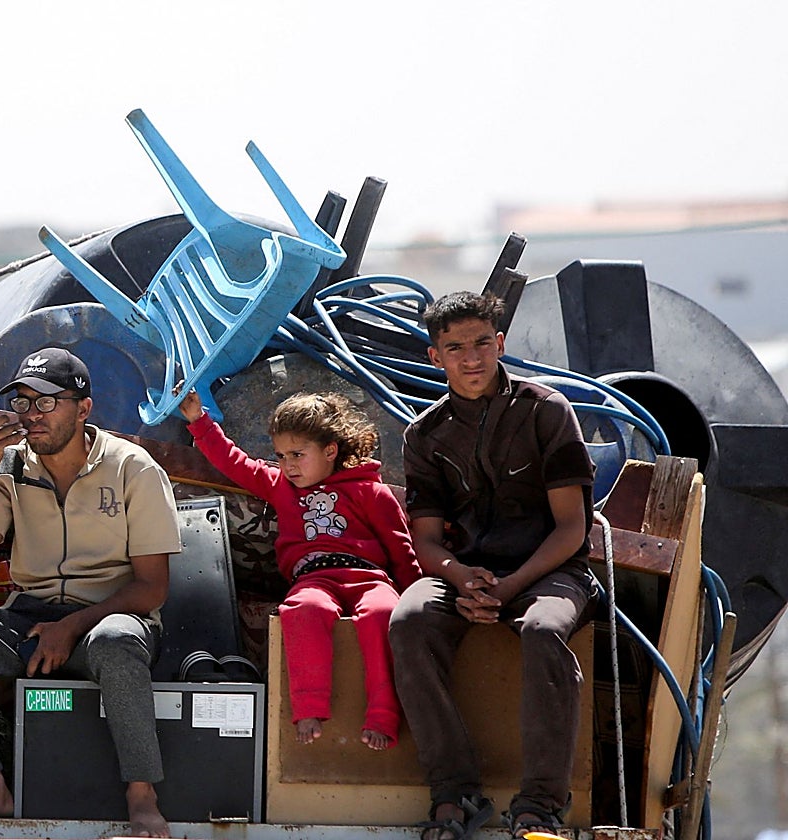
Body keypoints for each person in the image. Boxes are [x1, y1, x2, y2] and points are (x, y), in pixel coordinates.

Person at [0, 347, 183, 838]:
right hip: (30, 621)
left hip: (109, 618)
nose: (31, 416)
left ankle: (142, 796)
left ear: (83, 409)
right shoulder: (12, 466)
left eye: (45, 403)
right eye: (22, 403)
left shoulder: (133, 468)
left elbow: (152, 587)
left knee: (117, 643)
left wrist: (72, 626)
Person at [389, 291, 598, 840]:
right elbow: (426, 541)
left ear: (500, 342)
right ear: (435, 357)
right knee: (409, 619)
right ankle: (454, 792)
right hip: (467, 574)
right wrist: (459, 577)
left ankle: (540, 805)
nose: (472, 358)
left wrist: (508, 588)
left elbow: (571, 528)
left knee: (545, 628)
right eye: (455, 347)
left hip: (548, 572)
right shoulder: (424, 435)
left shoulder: (546, 411)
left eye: (483, 342)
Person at [178, 386, 421, 750]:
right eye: (280, 455)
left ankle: (384, 714)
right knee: (304, 609)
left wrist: (416, 598)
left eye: (297, 454)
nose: (288, 464)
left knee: (383, 613)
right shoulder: (280, 484)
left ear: (330, 450)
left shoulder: (373, 492)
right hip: (314, 578)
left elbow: (401, 550)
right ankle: (308, 707)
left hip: (368, 577)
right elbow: (234, 462)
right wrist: (199, 421)